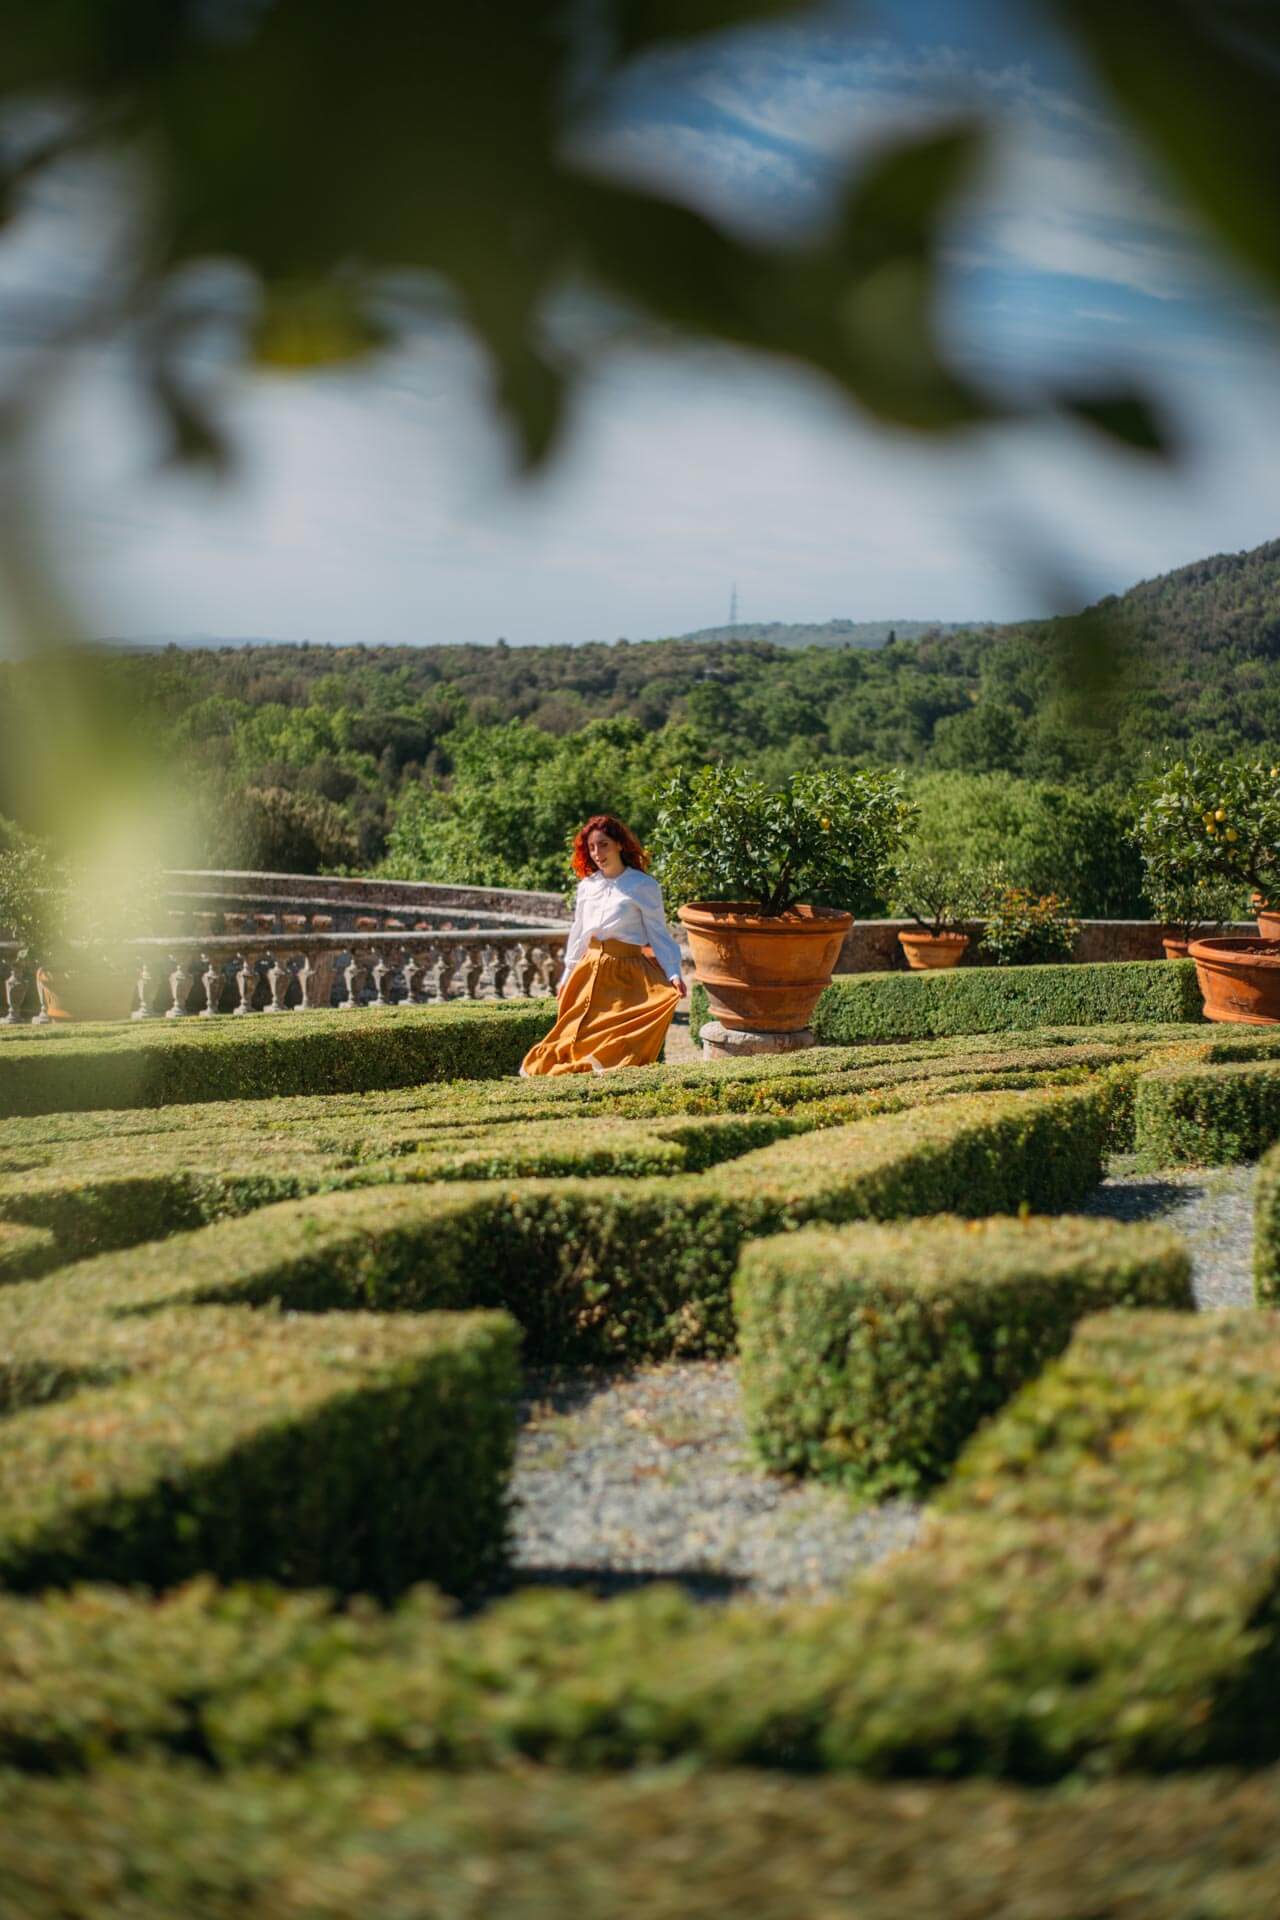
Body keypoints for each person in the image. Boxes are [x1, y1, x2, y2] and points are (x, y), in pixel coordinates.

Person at [519, 813, 687, 1076]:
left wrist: (674, 972)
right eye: (592, 847)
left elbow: (658, 933)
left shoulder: (643, 885)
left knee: (615, 1039)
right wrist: (567, 974)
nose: (597, 853)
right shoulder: (587, 886)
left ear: (620, 844)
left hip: (625, 975)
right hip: (588, 970)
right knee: (575, 1035)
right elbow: (579, 933)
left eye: (604, 844)